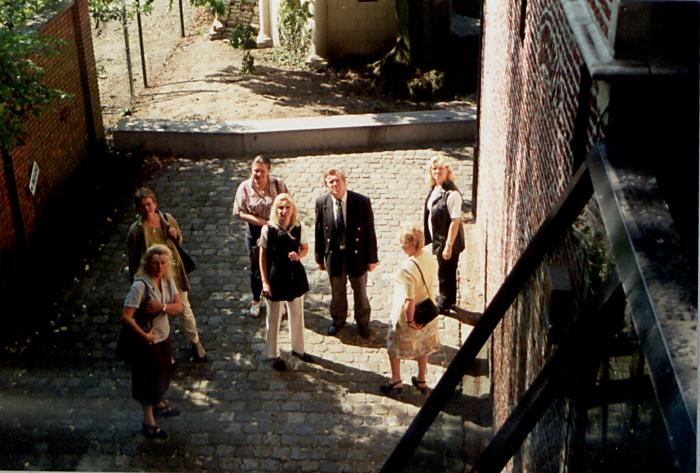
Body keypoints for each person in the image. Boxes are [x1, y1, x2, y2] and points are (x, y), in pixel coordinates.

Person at [127, 187, 207, 362]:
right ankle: (164, 351)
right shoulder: (137, 230)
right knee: (157, 316)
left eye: (149, 204)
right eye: (142, 206)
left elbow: (179, 239)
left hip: (174, 272)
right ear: (138, 209)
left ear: (155, 204)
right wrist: (136, 286)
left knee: (184, 309)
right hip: (152, 279)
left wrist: (175, 234)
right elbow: (133, 260)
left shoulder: (167, 219)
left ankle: (195, 342)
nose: (146, 209)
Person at [122, 244, 183, 439]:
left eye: (163, 263)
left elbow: (178, 307)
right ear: (148, 264)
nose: (159, 267)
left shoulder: (167, 280)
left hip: (163, 336)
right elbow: (126, 316)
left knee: (164, 371)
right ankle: (148, 422)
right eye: (155, 263)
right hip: (146, 342)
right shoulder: (140, 286)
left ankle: (159, 403)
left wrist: (162, 306)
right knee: (147, 378)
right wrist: (144, 335)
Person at [314, 168, 379, 338]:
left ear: (344, 181)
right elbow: (319, 232)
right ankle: (338, 320)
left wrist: (372, 258)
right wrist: (319, 257)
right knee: (337, 293)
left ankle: (363, 322)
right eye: (331, 182)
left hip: (357, 255)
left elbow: (370, 231)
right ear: (327, 185)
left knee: (360, 291)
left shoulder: (361, 201)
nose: (335, 184)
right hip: (334, 256)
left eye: (337, 180)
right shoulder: (322, 203)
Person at [380, 226, 440, 395]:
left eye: (404, 243)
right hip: (427, 313)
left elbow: (409, 300)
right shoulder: (429, 257)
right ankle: (421, 380)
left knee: (394, 347)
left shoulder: (407, 268)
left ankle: (396, 381)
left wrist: (410, 321)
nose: (401, 246)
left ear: (412, 245)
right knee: (423, 347)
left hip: (412, 314)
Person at [259, 193, 313, 371]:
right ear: (276, 209)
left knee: (297, 313)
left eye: (287, 207)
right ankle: (273, 353)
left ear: (292, 209)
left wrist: (299, 255)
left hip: (294, 275)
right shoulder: (268, 229)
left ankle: (298, 349)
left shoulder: (299, 227)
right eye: (280, 208)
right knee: (273, 316)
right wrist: (265, 282)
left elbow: (305, 248)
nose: (283, 211)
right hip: (275, 276)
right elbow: (262, 257)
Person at [233, 155, 289, 318]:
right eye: (256, 171)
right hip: (255, 233)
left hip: (276, 231)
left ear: (268, 171)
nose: (259, 175)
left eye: (262, 171)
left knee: (278, 265)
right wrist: (263, 222)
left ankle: (278, 298)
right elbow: (240, 212)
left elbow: (288, 202)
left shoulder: (278, 184)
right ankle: (256, 300)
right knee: (256, 269)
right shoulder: (244, 187)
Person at [423, 157, 465, 314]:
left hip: (448, 241)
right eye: (434, 169)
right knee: (446, 270)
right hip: (439, 239)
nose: (436, 172)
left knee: (445, 272)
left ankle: (445, 302)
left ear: (447, 171)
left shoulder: (452, 194)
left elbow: (455, 221)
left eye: (440, 169)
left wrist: (448, 245)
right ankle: (448, 299)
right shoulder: (436, 188)